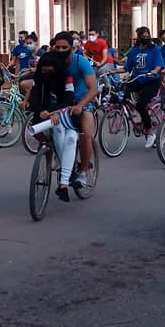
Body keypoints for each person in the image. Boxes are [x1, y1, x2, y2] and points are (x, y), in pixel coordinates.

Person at [30, 31, 97, 187]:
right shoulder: (50, 60)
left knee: (85, 134)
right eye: (57, 47)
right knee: (35, 127)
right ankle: (52, 148)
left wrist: (80, 106)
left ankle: (83, 172)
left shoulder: (81, 62)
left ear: (72, 48)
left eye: (64, 47)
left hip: (80, 103)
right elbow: (38, 80)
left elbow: (93, 88)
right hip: (56, 105)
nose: (60, 50)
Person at [28, 51, 84, 202]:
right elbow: (34, 97)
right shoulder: (39, 79)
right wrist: (41, 111)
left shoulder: (67, 78)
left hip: (66, 116)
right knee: (58, 130)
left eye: (49, 70)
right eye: (43, 70)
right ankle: (66, 171)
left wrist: (56, 112)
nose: (46, 72)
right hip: (46, 117)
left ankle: (63, 184)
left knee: (71, 139)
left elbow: (68, 98)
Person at [122, 27, 164, 149]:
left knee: (141, 105)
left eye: (147, 36)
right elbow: (126, 68)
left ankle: (150, 134)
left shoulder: (154, 49)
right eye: (143, 36)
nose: (146, 38)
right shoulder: (134, 51)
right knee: (124, 91)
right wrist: (112, 71)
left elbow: (158, 65)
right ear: (138, 37)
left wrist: (154, 71)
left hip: (151, 81)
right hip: (138, 79)